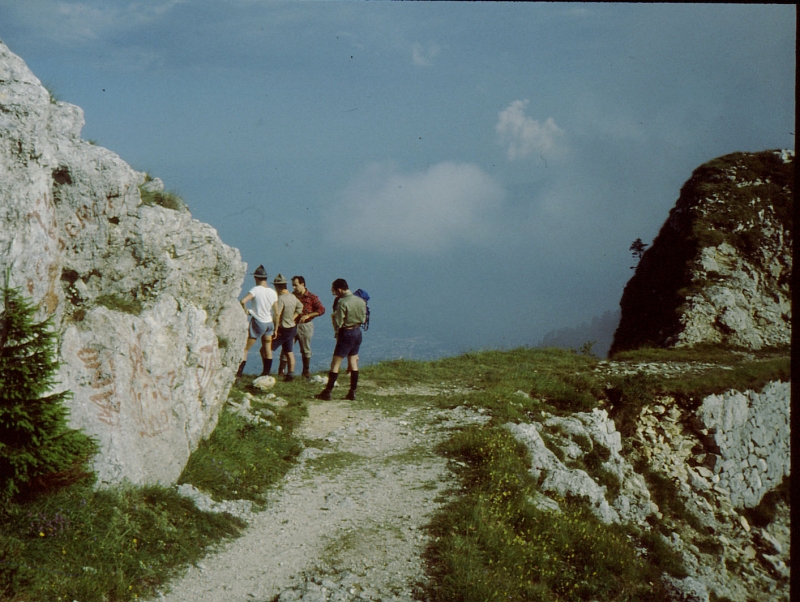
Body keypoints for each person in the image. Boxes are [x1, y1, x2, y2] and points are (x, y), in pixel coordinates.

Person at [315, 278, 367, 401]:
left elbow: (339, 321)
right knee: (353, 362)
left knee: (335, 363)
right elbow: (364, 318)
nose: (334, 294)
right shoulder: (361, 301)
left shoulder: (342, 302)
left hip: (346, 332)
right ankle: (352, 392)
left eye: (334, 291)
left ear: (339, 289)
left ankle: (328, 391)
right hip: (357, 332)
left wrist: (337, 332)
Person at [278, 276, 326, 380]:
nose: (294, 287)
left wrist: (309, 315)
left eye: (296, 285)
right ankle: (281, 371)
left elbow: (321, 309)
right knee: (286, 348)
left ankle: (306, 371)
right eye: (293, 285)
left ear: (302, 284)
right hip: (292, 324)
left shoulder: (311, 297)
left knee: (305, 348)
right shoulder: (292, 296)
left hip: (305, 325)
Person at [237, 265, 278, 377]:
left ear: (256, 277)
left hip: (258, 321)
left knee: (245, 348)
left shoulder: (255, 290)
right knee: (267, 349)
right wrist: (276, 328)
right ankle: (266, 373)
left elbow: (243, 301)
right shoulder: (272, 292)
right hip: (269, 323)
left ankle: (239, 374)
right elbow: (276, 312)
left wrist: (246, 310)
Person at [270, 273, 303, 381]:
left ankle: (266, 372)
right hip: (292, 327)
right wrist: (293, 317)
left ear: (277, 286)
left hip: (282, 328)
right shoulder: (292, 297)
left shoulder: (280, 299)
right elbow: (300, 307)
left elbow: (277, 314)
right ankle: (290, 374)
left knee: (267, 349)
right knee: (289, 352)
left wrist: (275, 328)